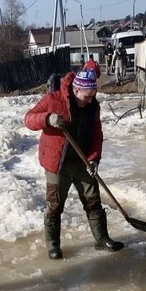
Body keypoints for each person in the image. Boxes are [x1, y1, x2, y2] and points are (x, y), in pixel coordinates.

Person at [24, 70, 124, 259]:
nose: (90, 100)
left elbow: (97, 134)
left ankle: (101, 239)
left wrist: (94, 158)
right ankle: (53, 247)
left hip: (83, 160)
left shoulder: (93, 106)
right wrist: (47, 118)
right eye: (87, 96)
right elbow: (28, 119)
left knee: (93, 200)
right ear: (76, 90)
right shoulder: (53, 100)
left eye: (93, 96)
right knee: (55, 205)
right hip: (57, 163)